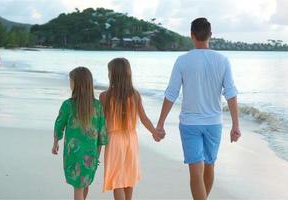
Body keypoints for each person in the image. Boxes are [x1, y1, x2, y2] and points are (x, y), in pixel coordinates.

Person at [156, 18, 241, 200]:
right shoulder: (222, 60)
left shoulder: (182, 61)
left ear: (192, 35)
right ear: (210, 35)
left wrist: (160, 123)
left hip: (190, 124)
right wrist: (236, 125)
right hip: (214, 124)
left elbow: (171, 93)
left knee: (196, 171)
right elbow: (231, 94)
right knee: (209, 166)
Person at [100, 58, 164, 200]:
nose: (108, 75)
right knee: (128, 179)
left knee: (117, 181)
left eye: (109, 72)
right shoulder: (135, 95)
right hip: (131, 140)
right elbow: (144, 118)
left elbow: (100, 124)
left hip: (114, 141)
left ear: (114, 74)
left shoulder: (105, 96)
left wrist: (95, 144)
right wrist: (154, 132)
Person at [52, 67, 108, 200]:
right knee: (84, 185)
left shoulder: (68, 105)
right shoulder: (97, 106)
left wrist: (55, 143)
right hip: (91, 155)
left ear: (76, 84)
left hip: (73, 154)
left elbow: (59, 125)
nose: (69, 83)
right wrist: (97, 156)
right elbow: (102, 135)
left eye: (70, 81)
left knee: (79, 187)